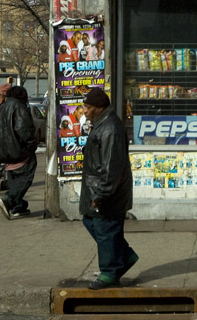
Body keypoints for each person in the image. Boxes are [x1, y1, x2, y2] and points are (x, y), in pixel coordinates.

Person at [79, 88, 137, 290]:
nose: (84, 111)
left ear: (99, 108)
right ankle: (124, 256)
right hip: (96, 186)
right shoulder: (100, 124)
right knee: (91, 221)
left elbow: (112, 166)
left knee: (106, 228)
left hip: (108, 190)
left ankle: (109, 272)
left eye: (87, 107)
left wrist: (102, 194)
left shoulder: (110, 128)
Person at [0, 86, 37, 220]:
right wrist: (31, 145)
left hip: (5, 153)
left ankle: (18, 207)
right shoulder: (19, 107)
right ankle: (9, 200)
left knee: (13, 179)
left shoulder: (1, 108)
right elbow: (24, 129)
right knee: (25, 178)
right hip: (19, 151)